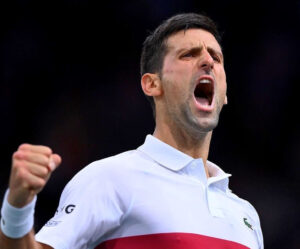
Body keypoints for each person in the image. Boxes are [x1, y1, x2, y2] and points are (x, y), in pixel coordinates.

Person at [0, 13, 264, 249]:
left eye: (216, 57)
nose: (208, 61)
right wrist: (17, 208)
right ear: (152, 84)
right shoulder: (109, 179)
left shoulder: (246, 216)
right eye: (189, 54)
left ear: (225, 94)